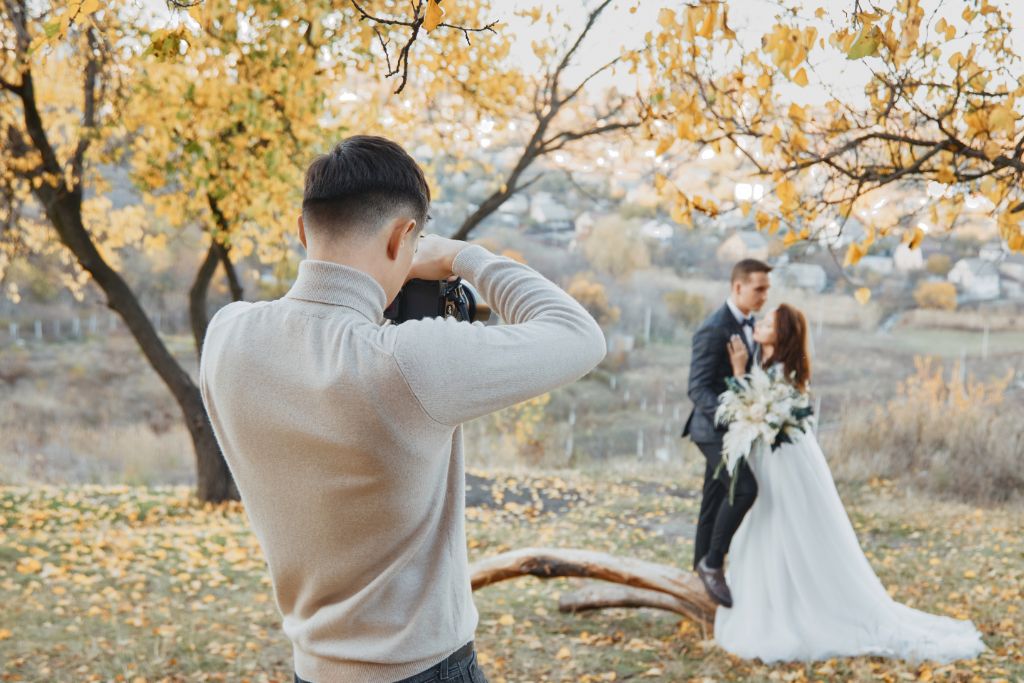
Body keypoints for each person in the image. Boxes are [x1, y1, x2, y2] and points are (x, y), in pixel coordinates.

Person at [198, 135, 607, 683]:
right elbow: (580, 336)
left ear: (302, 230)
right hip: (423, 668)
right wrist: (465, 256)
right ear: (402, 237)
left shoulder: (227, 336)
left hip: (312, 670)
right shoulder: (408, 362)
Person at [714, 304, 986, 663]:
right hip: (770, 458)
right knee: (765, 526)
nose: (760, 324)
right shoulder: (766, 363)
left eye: (769, 322)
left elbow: (755, 407)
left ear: (782, 333)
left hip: (785, 462)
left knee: (785, 526)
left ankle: (794, 612)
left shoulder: (782, 370)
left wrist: (737, 373)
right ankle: (774, 604)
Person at [682, 259, 772, 607]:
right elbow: (697, 388)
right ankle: (712, 562)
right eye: (759, 288)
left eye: (766, 289)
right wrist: (734, 414)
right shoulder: (713, 328)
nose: (764, 295)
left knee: (714, 498)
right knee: (743, 488)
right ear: (738, 287)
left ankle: (697, 571)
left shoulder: (752, 325)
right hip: (712, 430)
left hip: (736, 430)